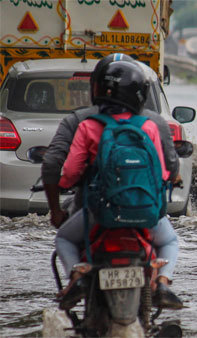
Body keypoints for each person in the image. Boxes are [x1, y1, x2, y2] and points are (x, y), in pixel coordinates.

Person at [44, 55, 183, 310]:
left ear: (96, 89)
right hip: (145, 214)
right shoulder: (151, 125)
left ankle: (77, 278)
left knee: (64, 238)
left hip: (99, 213)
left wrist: (61, 191)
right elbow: (164, 172)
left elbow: (68, 171)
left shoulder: (85, 124)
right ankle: (162, 283)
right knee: (170, 241)